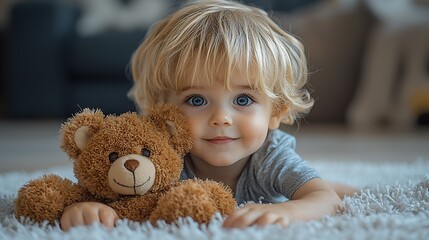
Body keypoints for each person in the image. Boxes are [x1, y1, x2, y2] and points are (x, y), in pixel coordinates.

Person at [61, 0, 355, 231]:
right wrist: (85, 210)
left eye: (243, 99)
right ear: (163, 113)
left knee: (322, 186)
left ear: (275, 112)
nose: (221, 118)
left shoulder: (270, 155)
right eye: (197, 99)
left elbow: (325, 200)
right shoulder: (163, 158)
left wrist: (288, 210)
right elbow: (111, 194)